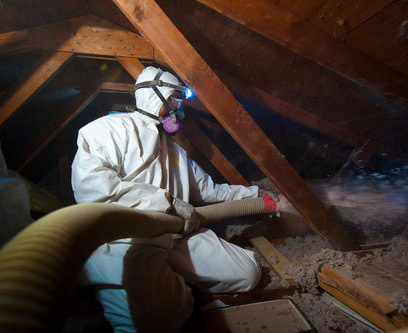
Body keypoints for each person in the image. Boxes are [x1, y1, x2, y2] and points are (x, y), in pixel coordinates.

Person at [71, 66, 273, 332]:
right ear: (158, 95)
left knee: (248, 273)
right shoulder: (106, 131)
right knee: (156, 323)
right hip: (128, 240)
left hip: (178, 235)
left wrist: (256, 195)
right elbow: (93, 189)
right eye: (177, 98)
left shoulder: (176, 152)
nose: (180, 107)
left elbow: (210, 191)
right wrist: (168, 203)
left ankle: (170, 279)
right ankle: (165, 288)